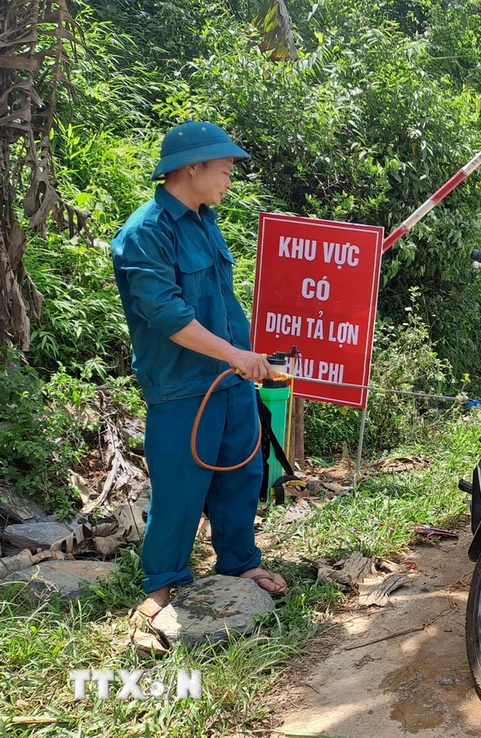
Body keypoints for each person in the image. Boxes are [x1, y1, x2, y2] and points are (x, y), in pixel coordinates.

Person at [112, 121, 287, 635]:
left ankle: (240, 562)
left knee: (241, 475)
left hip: (230, 382)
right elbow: (165, 315)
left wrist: (241, 358)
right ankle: (162, 583)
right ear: (192, 168)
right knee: (180, 488)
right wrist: (234, 353)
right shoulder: (144, 234)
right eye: (225, 169)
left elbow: (220, 302)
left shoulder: (204, 221)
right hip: (181, 387)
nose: (230, 178)